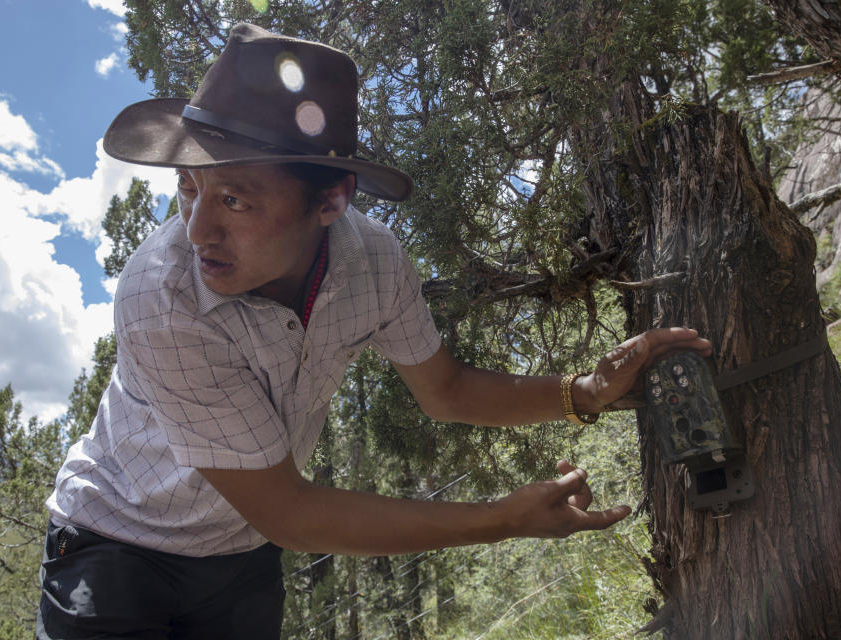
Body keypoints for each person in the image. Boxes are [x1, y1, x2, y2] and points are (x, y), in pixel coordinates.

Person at [36, 23, 711, 639]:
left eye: (234, 198)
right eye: (189, 187)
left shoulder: (376, 262)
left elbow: (444, 390)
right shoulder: (163, 296)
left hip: (240, 555)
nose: (197, 227)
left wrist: (586, 390)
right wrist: (505, 519)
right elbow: (292, 514)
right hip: (114, 547)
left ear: (331, 200)